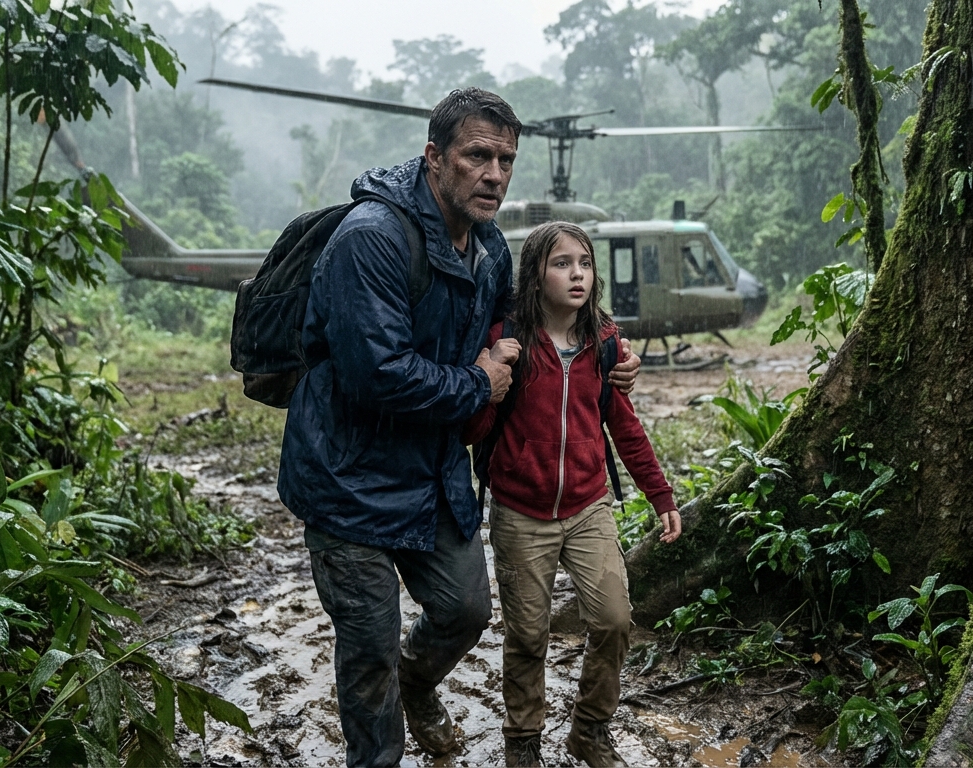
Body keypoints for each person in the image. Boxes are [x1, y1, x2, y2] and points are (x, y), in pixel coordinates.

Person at [276, 89, 642, 767]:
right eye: (477, 156)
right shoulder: (371, 240)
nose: (495, 174)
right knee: (370, 650)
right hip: (346, 478)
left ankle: (417, 684)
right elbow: (376, 374)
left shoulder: (490, 248)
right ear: (434, 157)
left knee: (465, 610)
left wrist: (612, 348)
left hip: (432, 471)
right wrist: (479, 383)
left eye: (506, 160)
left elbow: (534, 319)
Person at [463, 221, 683, 768]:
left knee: (613, 619)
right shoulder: (506, 337)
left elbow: (624, 427)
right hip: (520, 511)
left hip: (588, 506)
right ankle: (523, 741)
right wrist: (491, 378)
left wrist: (661, 496)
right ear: (535, 274)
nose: (577, 274)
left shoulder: (604, 343)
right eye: (562, 264)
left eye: (584, 263)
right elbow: (473, 430)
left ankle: (589, 729)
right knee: (527, 635)